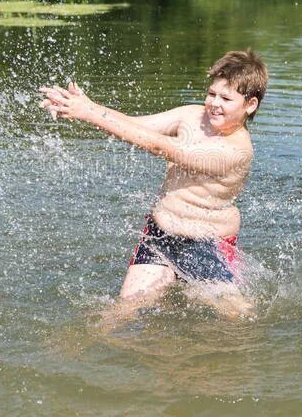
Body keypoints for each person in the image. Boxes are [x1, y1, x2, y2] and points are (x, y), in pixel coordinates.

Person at [39, 49, 268, 318]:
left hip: (207, 243)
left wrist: (91, 113)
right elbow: (139, 126)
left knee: (235, 317)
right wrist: (87, 108)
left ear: (250, 105)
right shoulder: (192, 116)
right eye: (211, 94)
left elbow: (161, 147)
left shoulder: (235, 152)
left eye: (226, 98)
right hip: (161, 233)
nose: (214, 103)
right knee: (124, 307)